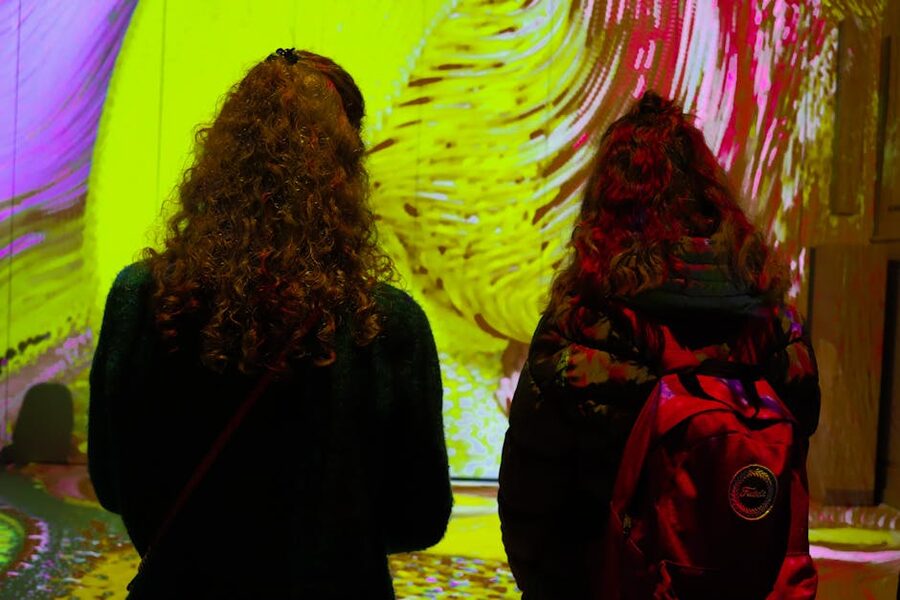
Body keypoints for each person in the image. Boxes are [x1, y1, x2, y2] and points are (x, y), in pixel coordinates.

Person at [88, 48, 452, 599]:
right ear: (344, 173)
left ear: (221, 157)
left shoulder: (139, 301)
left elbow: (114, 486)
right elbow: (418, 518)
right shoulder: (385, 326)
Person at [498, 91, 820, 599]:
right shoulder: (773, 319)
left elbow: (532, 499)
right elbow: (796, 442)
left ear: (605, 202)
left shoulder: (583, 322)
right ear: (712, 194)